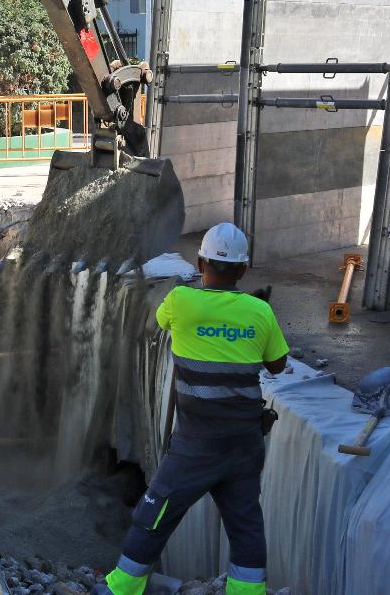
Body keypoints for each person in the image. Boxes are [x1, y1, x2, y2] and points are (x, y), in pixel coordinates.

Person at [97, 223, 289, 595]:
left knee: (153, 514)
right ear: (244, 270)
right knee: (246, 523)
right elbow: (277, 365)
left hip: (196, 444)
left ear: (200, 262)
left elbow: (159, 322)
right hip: (244, 442)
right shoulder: (259, 312)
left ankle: (119, 590)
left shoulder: (181, 301)